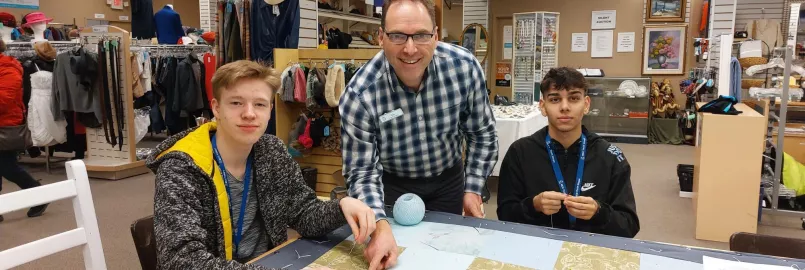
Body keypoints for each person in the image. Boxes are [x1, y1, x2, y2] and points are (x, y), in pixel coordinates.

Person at [147, 60, 378, 268]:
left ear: (270, 110)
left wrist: (342, 206)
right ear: (216, 108)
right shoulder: (182, 168)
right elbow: (180, 260)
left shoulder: (271, 152)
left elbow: (303, 213)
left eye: (259, 104)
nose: (249, 114)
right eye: (236, 103)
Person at [339, 0, 499, 268]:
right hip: (391, 187)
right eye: (398, 36)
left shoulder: (463, 69)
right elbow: (362, 170)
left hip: (449, 181)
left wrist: (472, 188)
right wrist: (379, 225)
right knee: (396, 257)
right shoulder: (360, 94)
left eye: (422, 35)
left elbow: (481, 133)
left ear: (435, 35)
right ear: (381, 38)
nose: (410, 48)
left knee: (448, 257)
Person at [496, 67, 639, 238]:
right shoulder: (519, 152)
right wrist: (532, 206)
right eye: (555, 99)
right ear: (543, 107)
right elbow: (504, 215)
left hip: (590, 250)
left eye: (573, 98)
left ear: (586, 105)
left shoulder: (610, 157)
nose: (564, 107)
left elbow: (629, 225)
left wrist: (599, 212)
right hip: (538, 247)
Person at [0, 39, 48, 222]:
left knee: (7, 166)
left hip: (6, 125)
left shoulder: (8, 68)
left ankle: (38, 194)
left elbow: (4, 99)